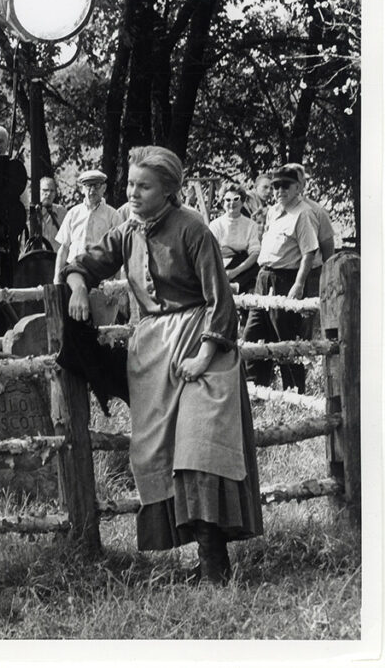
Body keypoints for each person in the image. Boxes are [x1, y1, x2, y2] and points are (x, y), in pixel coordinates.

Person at [62, 145, 262, 586]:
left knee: (200, 451)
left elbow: (220, 301)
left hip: (202, 347)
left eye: (143, 186)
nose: (133, 193)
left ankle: (215, 568)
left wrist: (205, 355)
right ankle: (205, 562)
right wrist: (78, 288)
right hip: (153, 352)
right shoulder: (128, 230)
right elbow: (83, 265)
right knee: (162, 457)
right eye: (130, 184)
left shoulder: (193, 230)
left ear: (169, 190)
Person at [242, 165, 321, 393]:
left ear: (297, 187)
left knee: (285, 338)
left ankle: (295, 391)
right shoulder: (273, 211)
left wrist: (298, 284)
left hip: (285, 279)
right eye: (275, 185)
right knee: (253, 335)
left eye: (285, 185)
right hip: (263, 278)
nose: (279, 190)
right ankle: (256, 390)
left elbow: (309, 252)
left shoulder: (303, 214)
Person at [53, 169, 122, 285]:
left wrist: (115, 283)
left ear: (104, 188)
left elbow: (119, 253)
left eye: (96, 186)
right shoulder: (73, 213)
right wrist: (57, 279)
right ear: (82, 189)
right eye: (88, 186)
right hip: (73, 275)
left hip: (102, 277)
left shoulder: (113, 216)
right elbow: (64, 248)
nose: (92, 190)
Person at [208, 182, 260, 295]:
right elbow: (211, 253)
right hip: (222, 265)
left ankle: (236, 286)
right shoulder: (215, 225)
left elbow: (254, 253)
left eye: (236, 199)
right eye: (227, 200)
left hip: (244, 267)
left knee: (258, 263)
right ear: (222, 203)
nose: (232, 203)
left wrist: (234, 272)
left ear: (242, 202)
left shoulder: (251, 225)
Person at [36, 176, 67, 253]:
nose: (48, 194)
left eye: (52, 191)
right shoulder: (30, 214)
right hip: (34, 260)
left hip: (55, 260)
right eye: (45, 190)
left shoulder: (62, 213)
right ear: (37, 191)